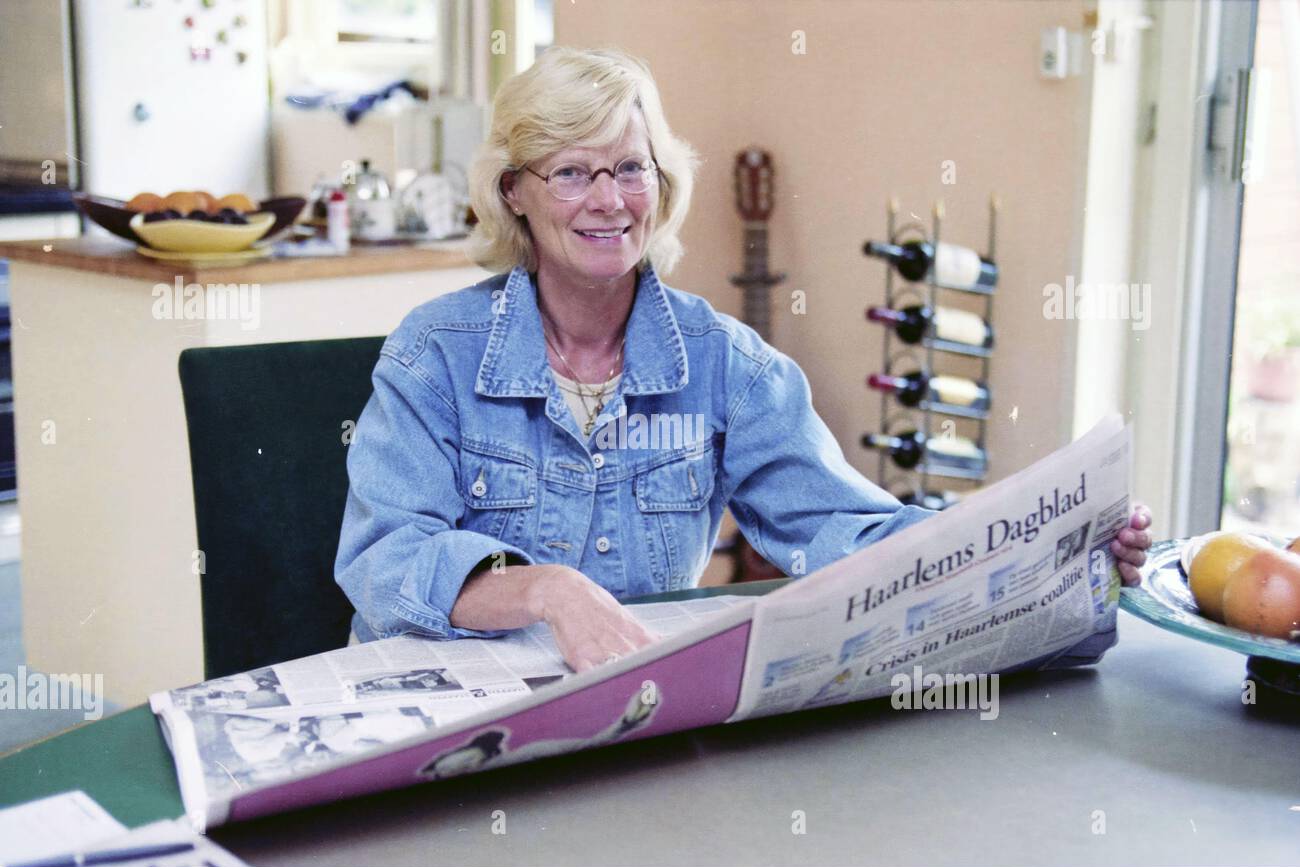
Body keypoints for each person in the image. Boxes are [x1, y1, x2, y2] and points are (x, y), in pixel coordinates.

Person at [334, 47, 1152, 673]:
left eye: (630, 168)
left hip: (625, 716)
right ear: (514, 190)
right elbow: (384, 558)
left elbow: (848, 530)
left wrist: (1046, 549)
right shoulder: (434, 353)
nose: (610, 200)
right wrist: (547, 590)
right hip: (437, 719)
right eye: (572, 172)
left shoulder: (726, 363)